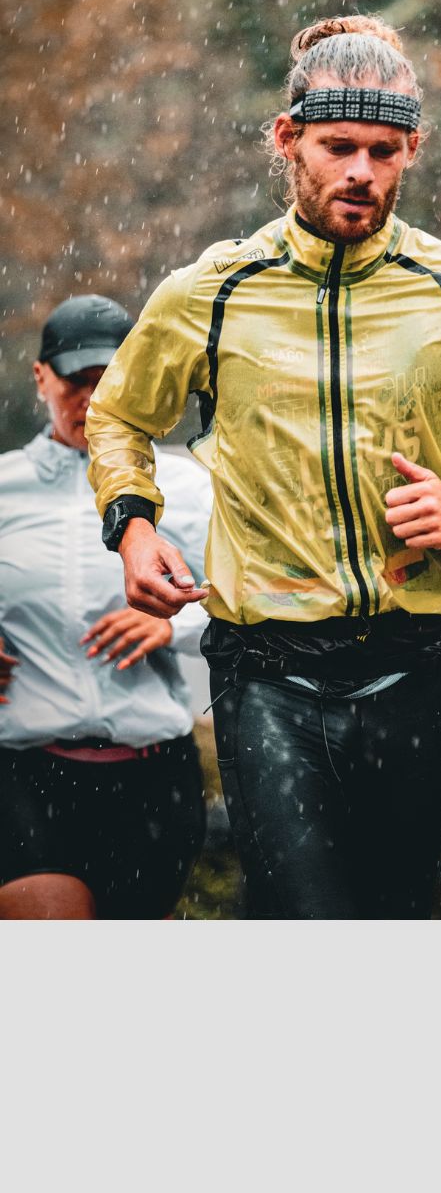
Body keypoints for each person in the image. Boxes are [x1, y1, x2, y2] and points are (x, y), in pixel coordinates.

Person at [86, 14, 441, 920]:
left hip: (414, 665)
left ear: (412, 151)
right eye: (338, 146)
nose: (362, 171)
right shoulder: (214, 289)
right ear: (289, 140)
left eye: (385, 151)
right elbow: (119, 415)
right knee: (309, 915)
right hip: (266, 669)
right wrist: (135, 523)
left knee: (392, 920)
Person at [0, 296, 210, 919]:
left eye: (108, 380)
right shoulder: (3, 488)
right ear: (41, 377)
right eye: (75, 381)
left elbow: (250, 610)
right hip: (24, 770)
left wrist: (174, 621)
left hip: (154, 773)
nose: (91, 398)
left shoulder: (190, 487)